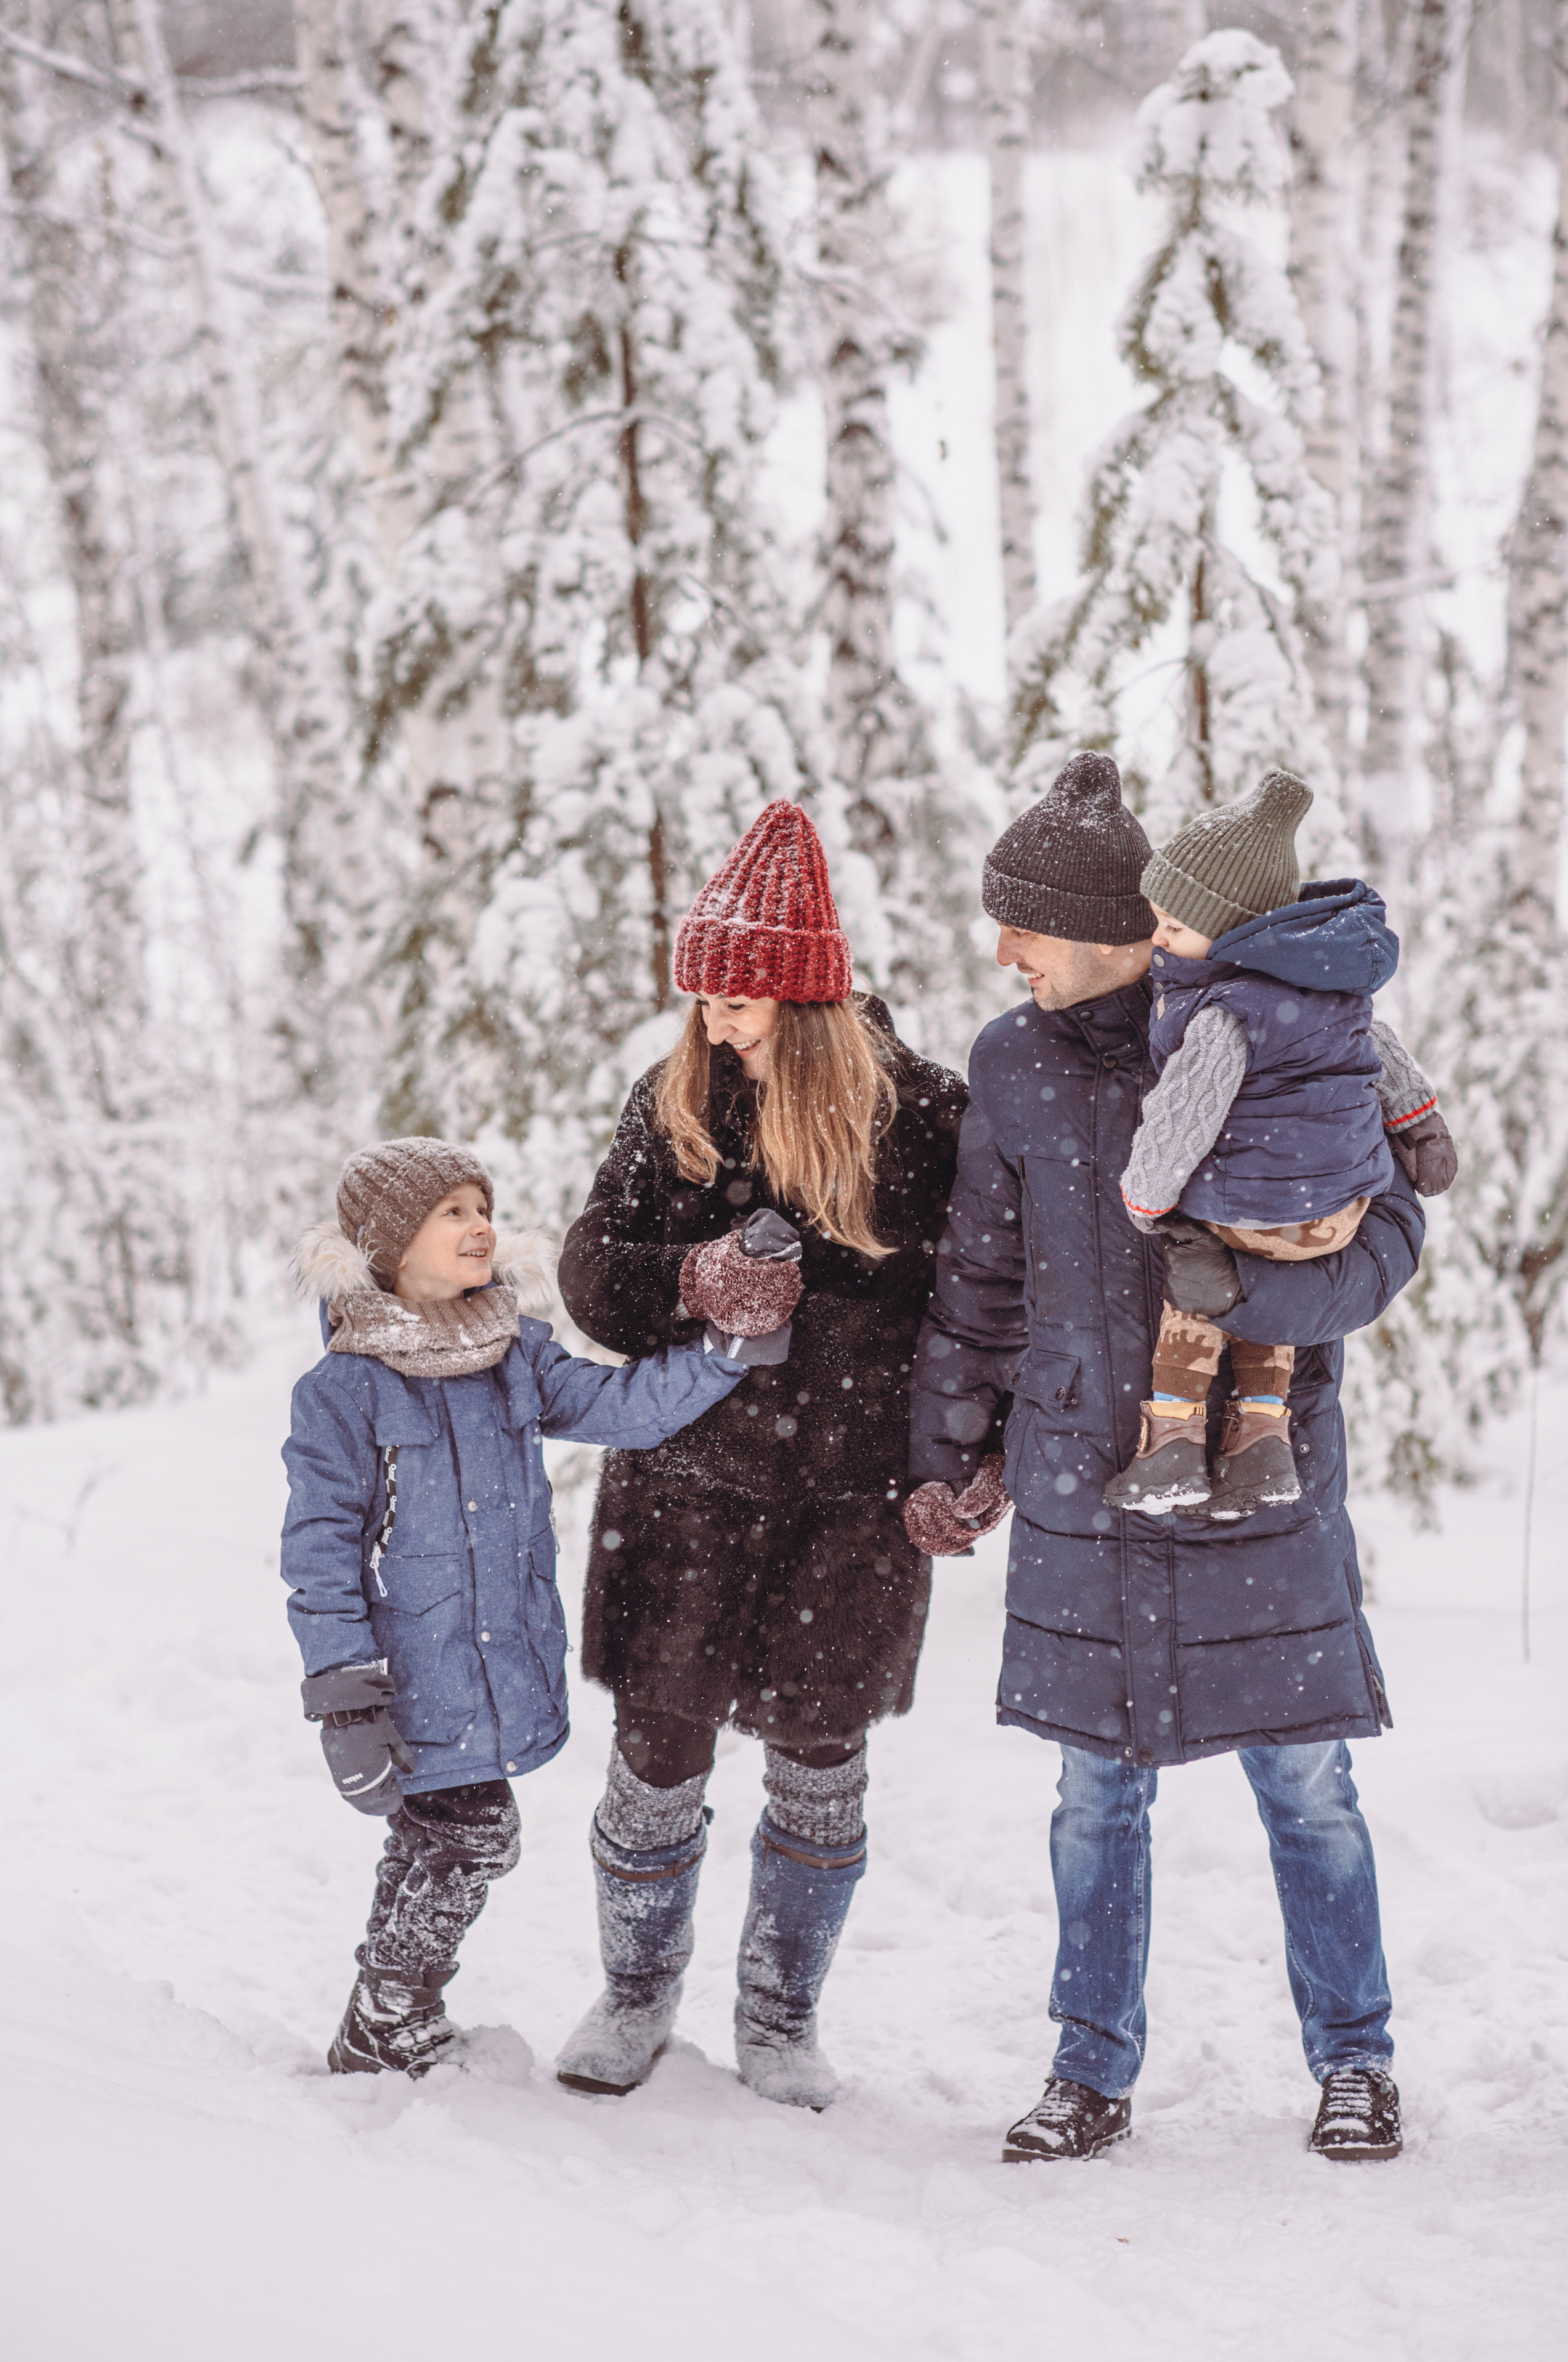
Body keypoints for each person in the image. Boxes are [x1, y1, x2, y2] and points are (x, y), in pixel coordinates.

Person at [904, 752, 1455, 2166]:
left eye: (1018, 923)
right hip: (1086, 1475)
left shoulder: (1252, 1024)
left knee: (1304, 1786)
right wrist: (948, 1443)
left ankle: (1354, 2057)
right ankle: (1087, 2071)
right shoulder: (1009, 1060)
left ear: (1107, 929)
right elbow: (977, 1268)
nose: (1002, 951)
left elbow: (1383, 1233)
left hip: (1254, 1467)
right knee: (1095, 1794)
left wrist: (1248, 1300)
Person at [554, 799, 967, 2109]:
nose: (712, 1022)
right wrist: (694, 1275)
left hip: (851, 1508)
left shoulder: (922, 1118)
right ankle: (632, 2000)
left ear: (804, 1000)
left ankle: (780, 2019)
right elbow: (589, 1277)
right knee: (656, 1756)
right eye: (703, 997)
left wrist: (970, 1454)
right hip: (682, 1493)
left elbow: (980, 1309)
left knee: (819, 1763)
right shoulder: (670, 1102)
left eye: (737, 999)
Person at [280, 1135, 795, 2077]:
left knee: (440, 1837)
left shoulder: (512, 1351)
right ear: (391, 1242)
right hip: (414, 1673)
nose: (482, 1226)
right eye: (453, 1213)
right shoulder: (344, 1390)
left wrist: (726, 1351)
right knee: (470, 1834)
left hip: (496, 1660)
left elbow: (625, 1407)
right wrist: (345, 1694)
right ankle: (387, 2015)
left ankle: (386, 2017)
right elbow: (318, 1552)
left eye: (484, 1207)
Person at [1107, 767, 1454, 1517]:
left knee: (1196, 1286)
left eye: (1172, 924)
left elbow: (1184, 1112)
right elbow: (1380, 1049)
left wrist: (1147, 1199)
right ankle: (1261, 1442)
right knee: (1269, 1298)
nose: (1158, 937)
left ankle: (1171, 1441)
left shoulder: (1223, 1010)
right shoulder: (1328, 986)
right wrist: (1419, 1122)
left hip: (1256, 1209)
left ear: (1229, 929)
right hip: (1338, 1212)